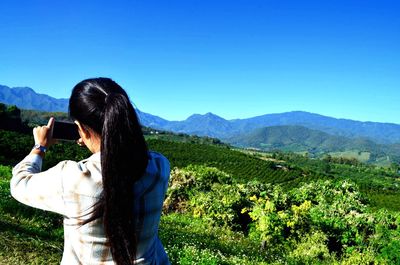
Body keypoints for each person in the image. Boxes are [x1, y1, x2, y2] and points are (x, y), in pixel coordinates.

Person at [10, 78, 171, 265]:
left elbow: (20, 184)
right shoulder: (160, 166)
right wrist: (96, 145)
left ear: (81, 130)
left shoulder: (72, 179)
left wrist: (40, 147)